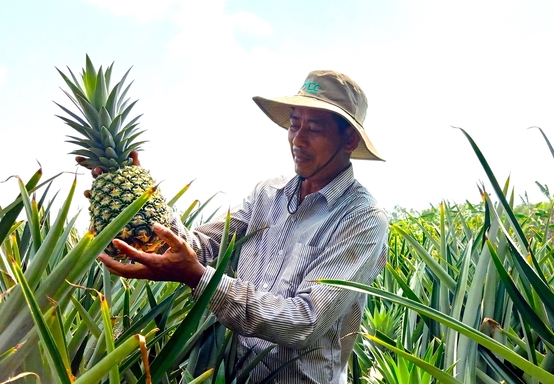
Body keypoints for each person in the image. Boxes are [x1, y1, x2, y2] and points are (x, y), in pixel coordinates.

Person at [98, 70, 388, 383]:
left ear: (350, 140)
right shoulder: (267, 194)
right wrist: (139, 198)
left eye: (314, 128)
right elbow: (204, 247)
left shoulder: (363, 219)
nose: (298, 139)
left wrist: (199, 279)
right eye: (294, 124)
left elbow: (305, 320)